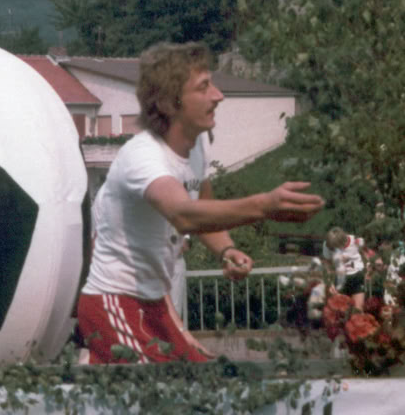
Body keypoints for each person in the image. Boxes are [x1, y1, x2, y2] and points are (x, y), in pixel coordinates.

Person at [77, 41, 324, 364]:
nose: (218, 96)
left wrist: (226, 249)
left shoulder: (197, 147)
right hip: (112, 302)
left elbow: (204, 209)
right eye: (204, 87)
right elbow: (184, 215)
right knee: (161, 387)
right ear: (170, 102)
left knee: (207, 376)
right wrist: (264, 206)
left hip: (156, 302)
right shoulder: (143, 156)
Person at [322, 226, 366, 310]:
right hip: (340, 279)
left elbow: (367, 254)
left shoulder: (355, 241)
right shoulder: (327, 245)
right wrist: (329, 282)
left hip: (356, 276)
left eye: (337, 247)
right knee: (339, 310)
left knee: (358, 310)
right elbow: (326, 264)